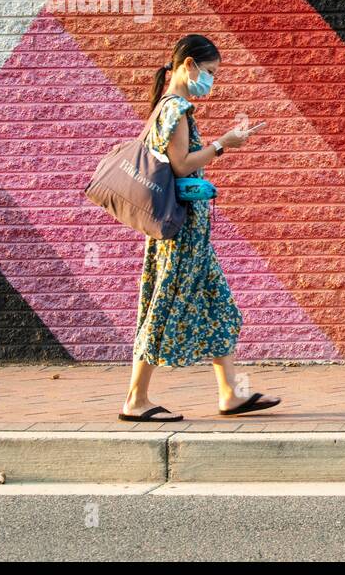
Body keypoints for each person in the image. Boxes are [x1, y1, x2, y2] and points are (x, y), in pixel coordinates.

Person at [118, 34, 281, 421]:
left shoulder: (169, 106)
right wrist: (223, 144)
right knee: (164, 308)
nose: (211, 81)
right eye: (209, 72)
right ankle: (135, 400)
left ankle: (230, 394)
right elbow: (180, 166)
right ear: (188, 65)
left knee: (216, 305)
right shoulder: (176, 109)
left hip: (191, 235)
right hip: (181, 235)